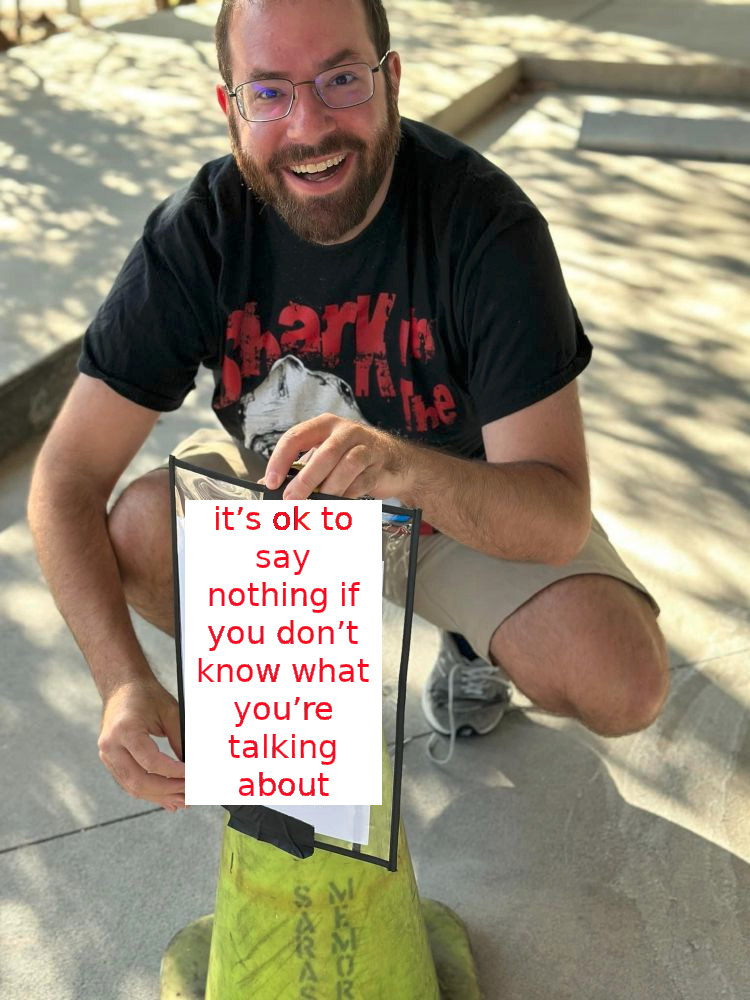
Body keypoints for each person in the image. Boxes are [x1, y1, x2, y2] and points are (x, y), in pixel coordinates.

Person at [28, 0, 669, 808]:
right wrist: (121, 681)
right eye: (268, 93)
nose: (308, 127)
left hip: (453, 509)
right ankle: (300, 695)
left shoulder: (486, 227)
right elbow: (65, 479)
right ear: (228, 107)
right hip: (290, 504)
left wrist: (400, 465)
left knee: (621, 679)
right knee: (140, 532)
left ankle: (469, 641)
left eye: (340, 79)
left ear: (390, 79)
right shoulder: (196, 236)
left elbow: (554, 512)